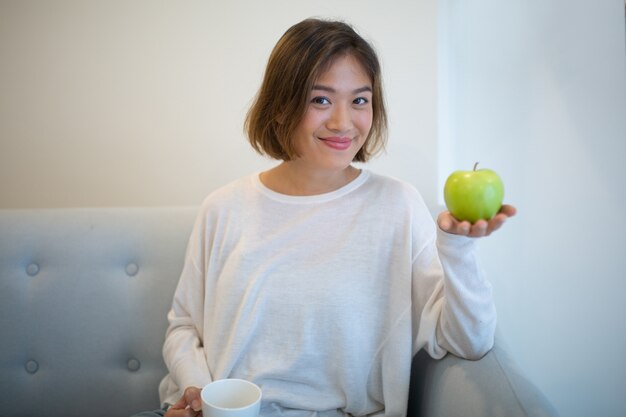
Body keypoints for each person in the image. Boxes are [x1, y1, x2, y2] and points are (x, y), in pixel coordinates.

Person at [133, 18, 516, 417]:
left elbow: (471, 341)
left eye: (359, 100)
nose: (342, 122)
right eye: (320, 100)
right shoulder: (222, 207)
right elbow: (183, 327)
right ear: (281, 106)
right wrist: (198, 394)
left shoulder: (397, 205)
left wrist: (458, 247)